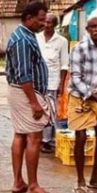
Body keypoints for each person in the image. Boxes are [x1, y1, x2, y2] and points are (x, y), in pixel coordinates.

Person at [6, 0, 56, 193]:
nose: (44, 24)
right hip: (26, 93)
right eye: (41, 20)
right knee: (34, 138)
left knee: (20, 135)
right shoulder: (23, 40)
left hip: (22, 92)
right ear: (29, 18)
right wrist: (34, 102)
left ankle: (19, 181)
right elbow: (24, 75)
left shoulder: (26, 36)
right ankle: (33, 186)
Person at [67, 11, 97, 193]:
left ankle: (95, 178)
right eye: (93, 26)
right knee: (81, 138)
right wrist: (95, 98)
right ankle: (80, 180)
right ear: (87, 29)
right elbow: (75, 78)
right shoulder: (80, 48)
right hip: (81, 97)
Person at [37, 13, 69, 153]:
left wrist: (61, 85)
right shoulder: (36, 38)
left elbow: (64, 65)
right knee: (36, 110)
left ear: (55, 25)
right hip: (37, 81)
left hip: (52, 82)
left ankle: (47, 140)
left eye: (50, 22)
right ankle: (37, 138)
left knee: (50, 112)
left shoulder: (61, 41)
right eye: (45, 21)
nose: (46, 25)